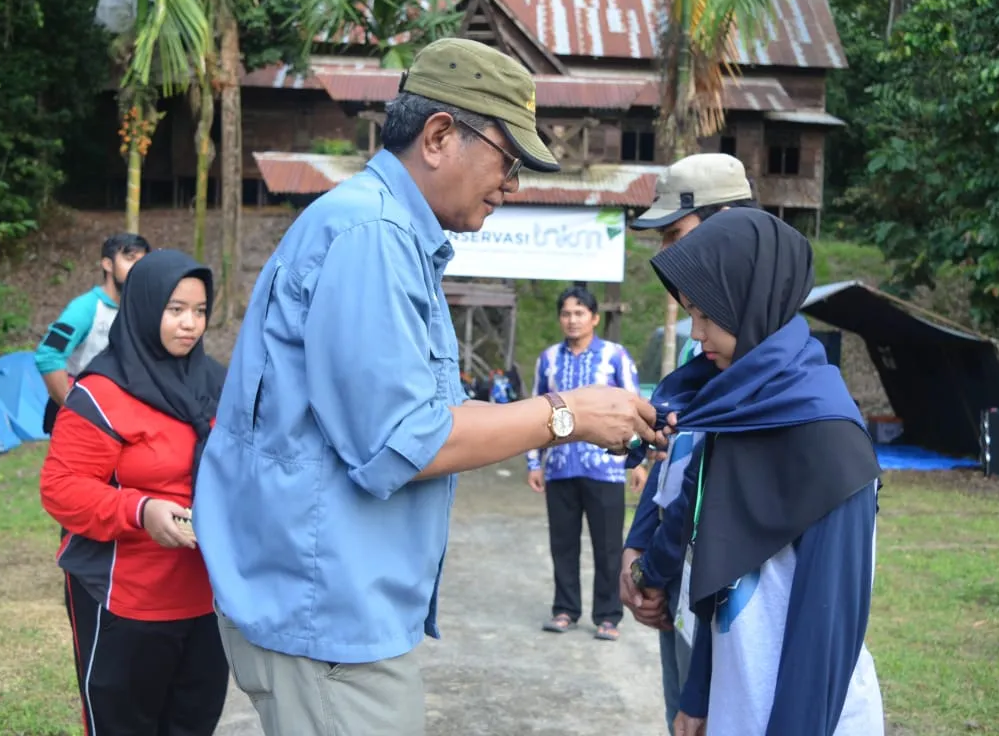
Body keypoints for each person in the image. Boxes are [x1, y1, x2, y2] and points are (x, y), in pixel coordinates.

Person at [192, 37, 664, 736]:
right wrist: (566, 414)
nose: (511, 186)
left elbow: (428, 411)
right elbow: (404, 440)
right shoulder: (370, 236)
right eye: (507, 160)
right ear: (440, 136)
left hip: (332, 604)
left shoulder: (388, 234)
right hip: (327, 614)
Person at [641, 208, 884, 736]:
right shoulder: (739, 409)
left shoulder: (830, 442)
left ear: (751, 304)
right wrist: (699, 691)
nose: (696, 334)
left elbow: (823, 640)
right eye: (690, 314)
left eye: (707, 315)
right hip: (738, 700)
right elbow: (721, 565)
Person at [39, 249, 228, 736]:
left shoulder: (218, 383)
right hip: (126, 598)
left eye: (200, 310)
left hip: (208, 596)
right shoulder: (101, 394)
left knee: (193, 723)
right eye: (175, 309)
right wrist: (140, 510)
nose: (190, 324)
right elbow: (61, 489)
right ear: (144, 307)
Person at [618, 153, 757, 731]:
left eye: (675, 236)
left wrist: (648, 571)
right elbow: (673, 460)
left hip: (728, 613)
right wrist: (637, 552)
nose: (667, 260)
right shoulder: (698, 355)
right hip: (676, 591)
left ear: (727, 227)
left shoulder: (763, 363)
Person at [526, 286, 646, 642]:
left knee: (608, 546)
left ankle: (608, 616)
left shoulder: (615, 356)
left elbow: (634, 408)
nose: (572, 320)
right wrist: (534, 462)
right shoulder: (548, 359)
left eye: (579, 313)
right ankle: (565, 610)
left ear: (594, 318)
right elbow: (534, 411)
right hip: (560, 466)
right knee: (562, 543)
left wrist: (637, 461)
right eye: (566, 313)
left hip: (605, 468)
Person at [35, 232, 151, 434]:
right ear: (107, 264)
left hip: (124, 414)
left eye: (142, 262)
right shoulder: (85, 308)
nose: (137, 268)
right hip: (83, 418)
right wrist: (75, 408)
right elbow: (48, 354)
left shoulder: (142, 309)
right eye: (130, 259)